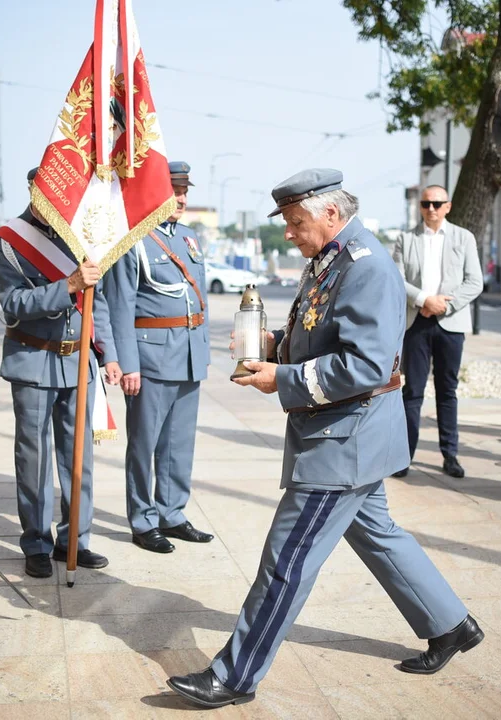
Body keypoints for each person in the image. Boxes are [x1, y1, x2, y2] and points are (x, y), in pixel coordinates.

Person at [166, 169, 482, 709]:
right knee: (378, 534)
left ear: (330, 214)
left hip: (343, 441)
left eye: (295, 222)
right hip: (348, 434)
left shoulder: (368, 267)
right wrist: (272, 346)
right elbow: (319, 330)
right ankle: (450, 624)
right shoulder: (334, 257)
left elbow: (366, 364)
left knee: (286, 560)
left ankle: (236, 676)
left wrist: (281, 379)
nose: (289, 232)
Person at [0, 168, 122, 579]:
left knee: (78, 458)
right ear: (32, 190)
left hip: (78, 361)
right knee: (34, 460)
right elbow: (13, 305)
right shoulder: (6, 241)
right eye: (42, 192)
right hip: (33, 358)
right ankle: (35, 543)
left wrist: (109, 354)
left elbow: (96, 304)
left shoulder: (81, 237)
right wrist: (66, 286)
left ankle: (75, 541)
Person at [101, 161, 214, 553]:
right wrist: (127, 363)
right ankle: (143, 519)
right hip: (150, 358)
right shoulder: (132, 240)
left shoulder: (188, 238)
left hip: (186, 355)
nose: (180, 198)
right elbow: (119, 306)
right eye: (173, 191)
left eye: (184, 191)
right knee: (144, 444)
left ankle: (173, 513)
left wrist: (202, 352)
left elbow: (198, 298)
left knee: (179, 443)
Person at [392, 184, 483, 479]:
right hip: (416, 322)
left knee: (447, 391)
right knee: (412, 392)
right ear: (420, 207)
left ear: (448, 206)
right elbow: (396, 279)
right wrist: (423, 300)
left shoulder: (463, 237)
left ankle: (450, 454)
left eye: (436, 204)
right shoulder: (405, 240)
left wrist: (444, 305)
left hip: (450, 323)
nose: (430, 209)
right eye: (426, 204)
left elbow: (474, 282)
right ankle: (403, 457)